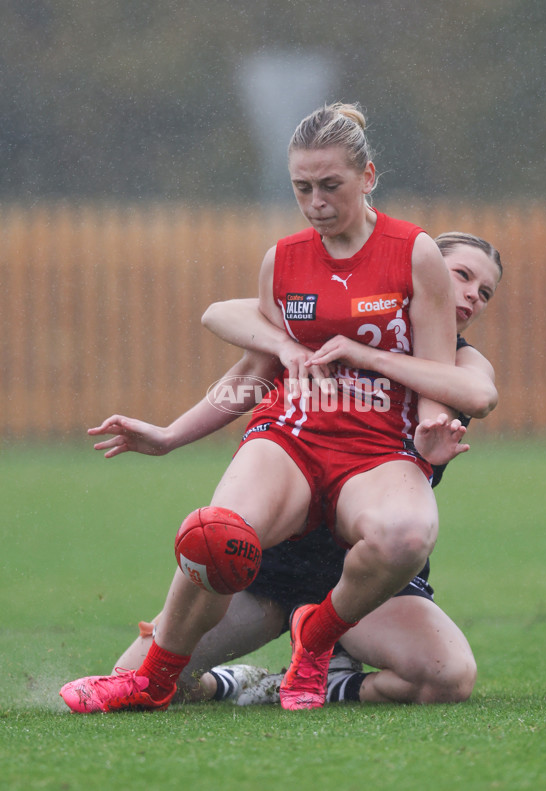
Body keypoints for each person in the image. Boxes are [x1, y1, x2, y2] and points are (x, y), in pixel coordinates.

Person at [60, 102, 476, 713]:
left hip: (376, 450)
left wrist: (431, 430)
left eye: (330, 185)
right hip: (292, 435)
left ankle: (318, 636)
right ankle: (157, 679)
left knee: (405, 533)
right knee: (215, 535)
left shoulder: (414, 253)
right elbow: (254, 375)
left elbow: (441, 369)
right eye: (302, 188)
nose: (316, 202)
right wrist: (172, 436)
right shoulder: (282, 260)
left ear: (368, 177)